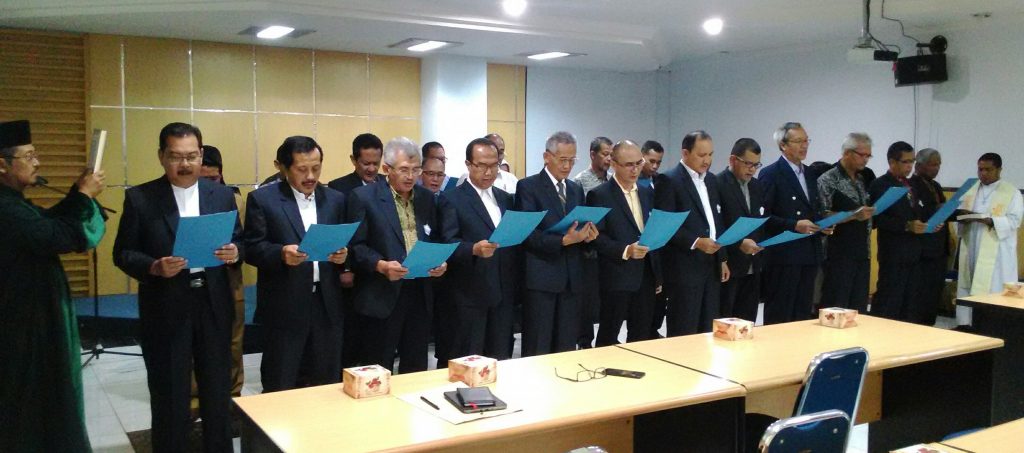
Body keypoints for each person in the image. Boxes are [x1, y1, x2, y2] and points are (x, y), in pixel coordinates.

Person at [113, 122, 242, 453]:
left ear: (201, 155)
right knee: (170, 393)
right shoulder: (141, 198)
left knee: (217, 391)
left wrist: (235, 252)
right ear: (161, 156)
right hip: (166, 305)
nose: (185, 165)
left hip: (213, 303)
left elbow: (239, 240)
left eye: (192, 156)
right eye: (176, 157)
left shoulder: (221, 195)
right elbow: (123, 253)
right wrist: (154, 266)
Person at [0, 120, 105, 452]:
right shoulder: (5, 208)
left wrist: (77, 194)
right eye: (29, 156)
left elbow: (48, 221)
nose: (37, 162)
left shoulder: (15, 203)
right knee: (31, 404)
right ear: (2, 164)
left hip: (30, 318)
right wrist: (84, 196)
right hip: (21, 325)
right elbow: (56, 236)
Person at [243, 136, 348, 391]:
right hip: (285, 304)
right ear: (283, 167)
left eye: (316, 168)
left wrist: (343, 256)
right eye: (302, 169)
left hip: (326, 302)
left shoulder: (335, 199)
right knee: (282, 378)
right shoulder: (263, 200)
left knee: (326, 380)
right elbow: (252, 249)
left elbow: (348, 242)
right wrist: (280, 253)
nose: (310, 176)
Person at [346, 137, 447, 373]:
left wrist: (439, 261)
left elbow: (433, 237)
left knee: (416, 363)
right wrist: (380, 265)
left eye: (416, 170)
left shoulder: (425, 197)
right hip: (382, 291)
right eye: (403, 170)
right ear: (387, 169)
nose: (410, 176)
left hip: (419, 289)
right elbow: (356, 246)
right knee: (378, 366)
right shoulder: (364, 198)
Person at [514, 131, 597, 356]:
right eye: (562, 160)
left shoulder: (575, 189)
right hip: (542, 277)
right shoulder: (528, 187)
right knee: (538, 346)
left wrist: (587, 236)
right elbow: (527, 235)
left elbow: (578, 227)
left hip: (571, 279)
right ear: (546, 157)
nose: (567, 166)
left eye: (572, 160)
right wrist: (562, 240)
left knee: (565, 347)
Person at [438, 138, 518, 359]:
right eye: (482, 165)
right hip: (469, 293)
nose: (489, 172)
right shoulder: (452, 199)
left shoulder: (505, 198)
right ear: (468, 164)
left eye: (494, 165)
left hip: (502, 290)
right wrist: (473, 249)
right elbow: (447, 242)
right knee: (469, 358)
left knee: (500, 357)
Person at [587, 140, 661, 345]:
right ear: (613, 164)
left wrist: (658, 275)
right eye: (629, 165)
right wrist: (625, 250)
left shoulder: (647, 192)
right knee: (609, 334)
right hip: (616, 273)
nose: (635, 169)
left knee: (641, 334)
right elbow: (595, 238)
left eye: (639, 163)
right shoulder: (600, 195)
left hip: (645, 272)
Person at [655, 130, 728, 335]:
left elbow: (715, 220)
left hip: (710, 264)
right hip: (684, 267)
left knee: (708, 327)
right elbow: (665, 226)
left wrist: (722, 258)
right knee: (684, 327)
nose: (707, 160)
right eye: (701, 155)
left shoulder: (711, 180)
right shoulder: (669, 180)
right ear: (685, 153)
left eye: (710, 154)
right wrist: (696, 241)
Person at [759, 122, 826, 324]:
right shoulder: (771, 173)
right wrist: (793, 225)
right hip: (784, 255)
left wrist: (823, 224)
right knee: (781, 312)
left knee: (802, 312)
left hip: (809, 252)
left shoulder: (810, 173)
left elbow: (813, 209)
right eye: (798, 141)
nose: (804, 146)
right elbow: (763, 217)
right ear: (783, 145)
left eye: (806, 140)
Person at [327, 132, 384, 368]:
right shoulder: (338, 188)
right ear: (353, 160)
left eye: (376, 163)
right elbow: (340, 232)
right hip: (351, 269)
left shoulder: (386, 184)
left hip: (379, 269)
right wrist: (345, 268)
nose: (371, 169)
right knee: (351, 329)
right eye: (365, 163)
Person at [196, 145, 247, 401]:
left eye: (213, 178)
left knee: (233, 341)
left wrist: (236, 251)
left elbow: (247, 241)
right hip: (193, 278)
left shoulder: (232, 198)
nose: (209, 185)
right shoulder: (183, 198)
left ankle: (233, 395)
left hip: (228, 277)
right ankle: (195, 398)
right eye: (202, 179)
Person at [956, 153, 1023, 325]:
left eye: (988, 169)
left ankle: (992, 325)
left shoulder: (1011, 192)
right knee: (968, 282)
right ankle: (966, 324)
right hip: (972, 244)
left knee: (993, 286)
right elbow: (958, 213)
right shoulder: (970, 190)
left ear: (999, 170)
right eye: (980, 169)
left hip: (997, 251)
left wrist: (990, 220)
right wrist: (962, 217)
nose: (983, 173)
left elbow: (1014, 221)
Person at [816, 133, 876, 313]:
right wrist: (853, 215)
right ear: (847, 153)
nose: (866, 159)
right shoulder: (828, 179)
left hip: (862, 252)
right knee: (836, 307)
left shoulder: (861, 179)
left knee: (858, 308)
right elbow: (822, 217)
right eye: (862, 155)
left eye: (869, 155)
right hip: (837, 254)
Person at [869, 141, 926, 322]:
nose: (910, 166)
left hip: (913, 251)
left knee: (910, 302)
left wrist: (925, 224)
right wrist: (905, 225)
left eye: (912, 161)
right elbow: (876, 219)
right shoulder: (880, 185)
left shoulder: (911, 184)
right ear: (892, 162)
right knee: (890, 299)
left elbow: (915, 212)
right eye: (905, 162)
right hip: (893, 252)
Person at [717, 138, 768, 321]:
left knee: (747, 320)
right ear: (733, 160)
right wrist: (737, 244)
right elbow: (717, 226)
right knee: (725, 320)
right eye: (748, 164)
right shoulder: (717, 183)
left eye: (756, 165)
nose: (752, 169)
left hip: (753, 264)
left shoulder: (756, 186)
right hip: (729, 264)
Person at [573, 136, 612, 348]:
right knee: (587, 300)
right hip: (587, 248)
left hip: (609, 247)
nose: (608, 159)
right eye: (605, 154)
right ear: (592, 155)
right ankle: (584, 340)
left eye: (611, 155)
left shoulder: (613, 180)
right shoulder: (580, 181)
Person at [910, 148, 950, 326]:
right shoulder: (912, 186)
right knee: (921, 293)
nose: (937, 168)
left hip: (939, 247)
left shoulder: (936, 186)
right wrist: (936, 209)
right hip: (923, 249)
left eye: (939, 164)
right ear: (919, 165)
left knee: (935, 291)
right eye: (933, 164)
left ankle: (930, 324)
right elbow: (916, 213)